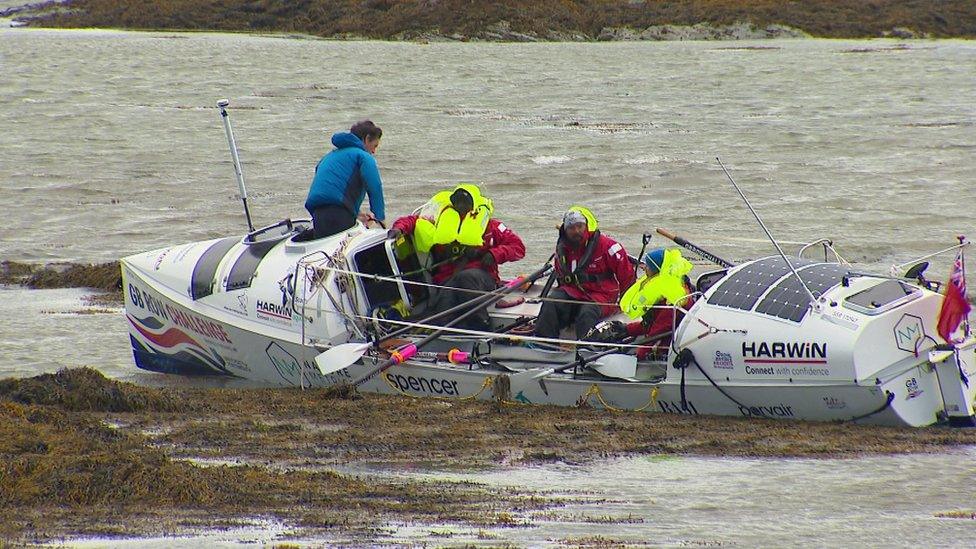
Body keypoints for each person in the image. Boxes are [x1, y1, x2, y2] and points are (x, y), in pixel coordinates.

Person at [388, 184, 525, 330]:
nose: (461, 206)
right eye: (457, 202)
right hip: (448, 280)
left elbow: (518, 247)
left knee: (466, 278)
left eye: (465, 203)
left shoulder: (491, 226)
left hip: (481, 279)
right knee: (443, 313)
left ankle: (483, 327)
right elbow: (412, 220)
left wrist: (494, 254)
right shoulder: (440, 221)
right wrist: (398, 228)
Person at [534, 206, 636, 341]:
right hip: (573, 292)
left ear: (586, 226)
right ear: (565, 230)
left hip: (602, 295)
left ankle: (588, 348)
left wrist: (626, 302)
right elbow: (561, 275)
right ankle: (543, 342)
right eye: (571, 228)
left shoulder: (608, 246)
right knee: (551, 303)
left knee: (587, 313)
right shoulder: (563, 248)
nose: (576, 231)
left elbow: (626, 275)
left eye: (580, 226)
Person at [589, 247, 696, 359]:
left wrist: (638, 356)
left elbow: (658, 330)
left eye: (648, 266)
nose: (644, 268)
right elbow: (650, 324)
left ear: (657, 269)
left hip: (667, 346)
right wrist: (626, 329)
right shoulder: (670, 288)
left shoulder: (670, 300)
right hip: (662, 337)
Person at [304, 120, 385, 238]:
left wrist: (357, 214)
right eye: (375, 146)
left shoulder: (328, 157)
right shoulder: (362, 156)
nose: (374, 151)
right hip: (339, 214)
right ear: (367, 139)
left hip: (317, 214)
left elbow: (333, 186)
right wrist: (380, 218)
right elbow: (374, 186)